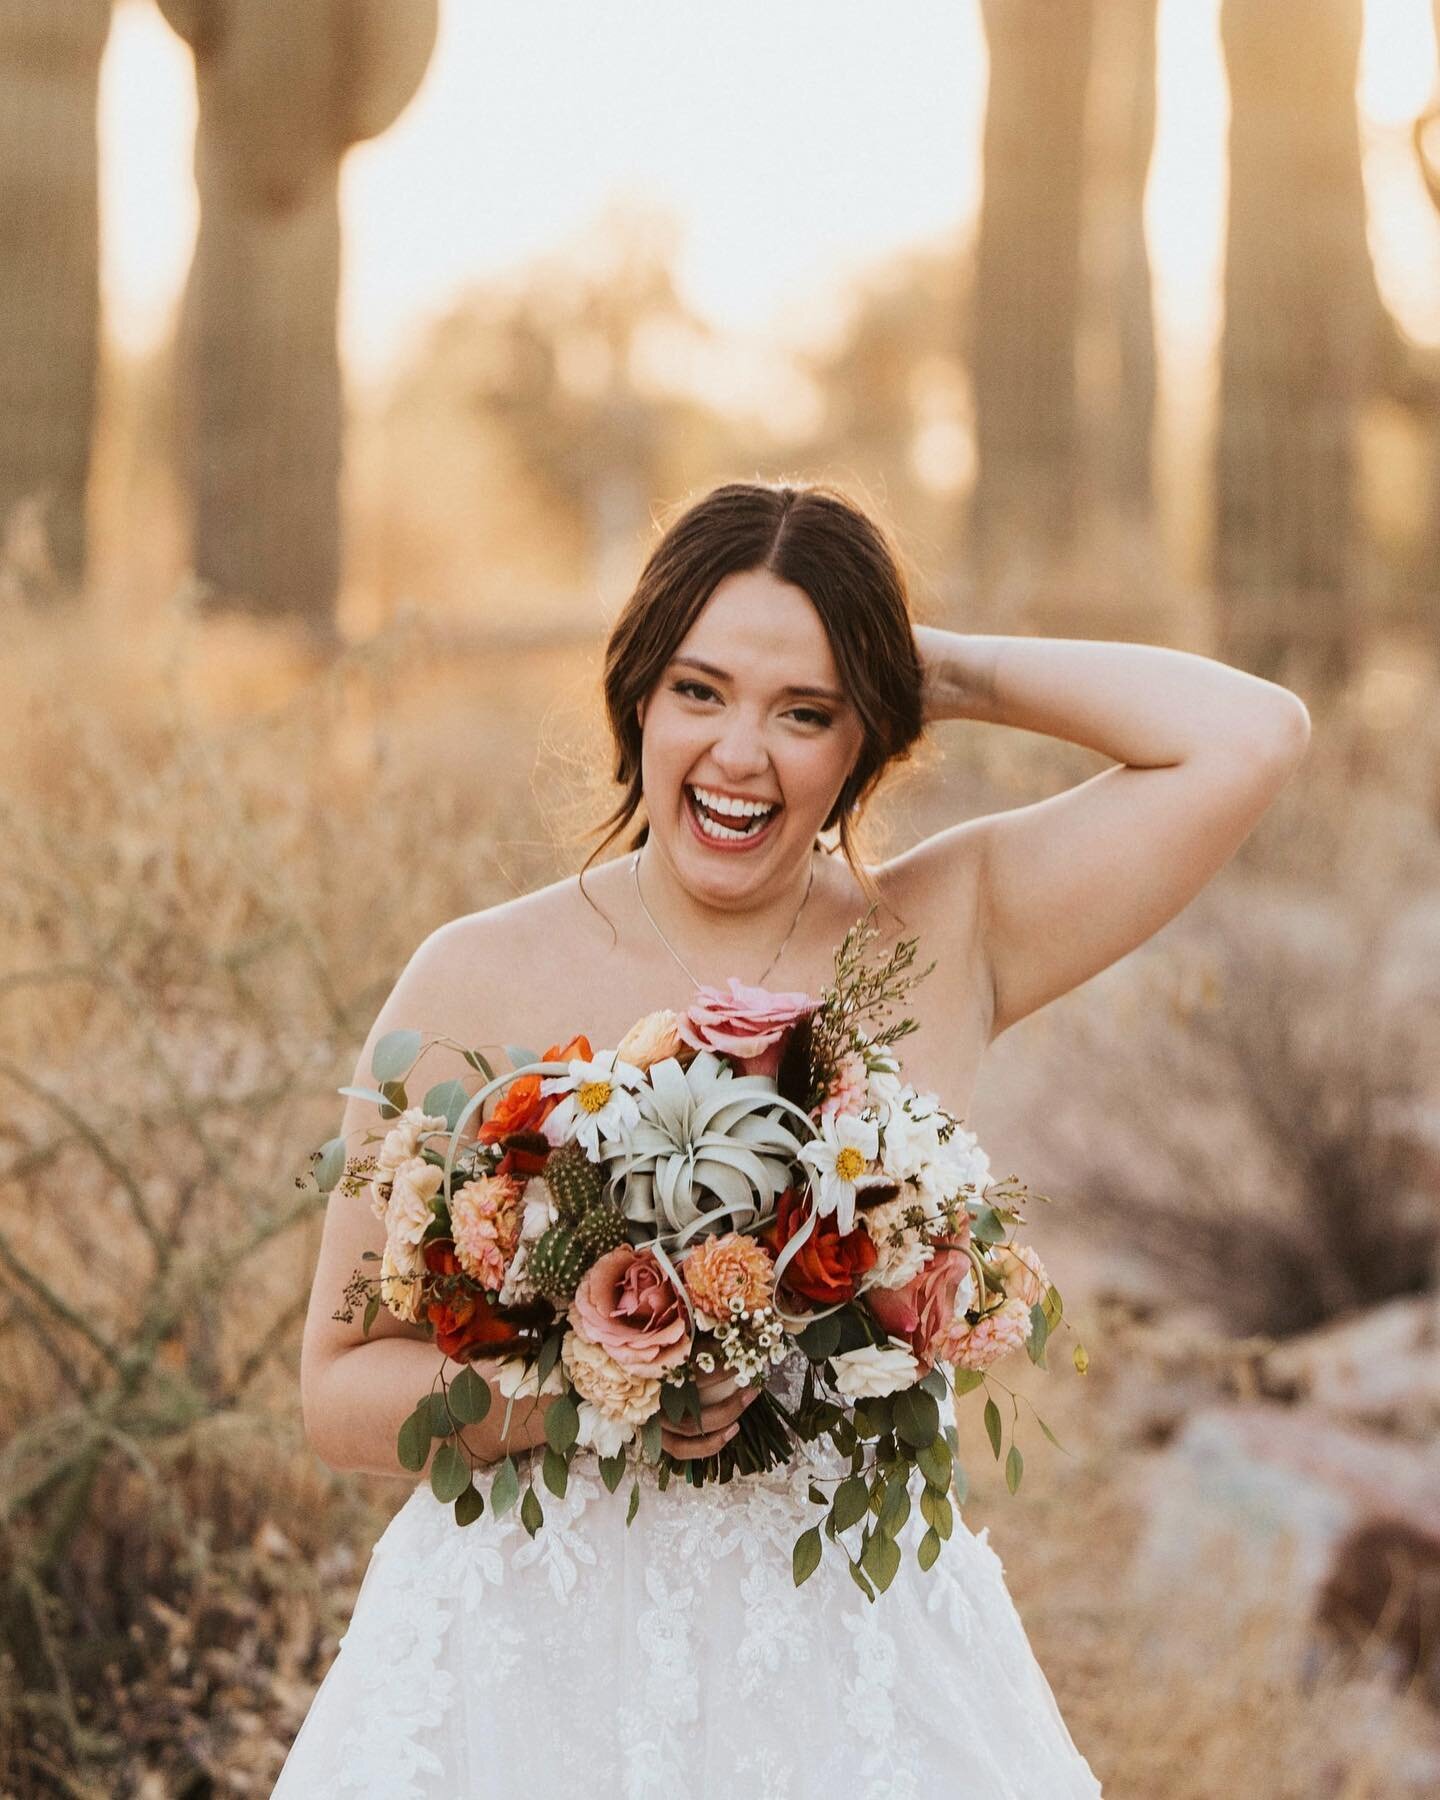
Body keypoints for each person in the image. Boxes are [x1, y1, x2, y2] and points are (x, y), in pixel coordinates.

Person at [273, 479, 1311, 1797]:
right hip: (528, 1675)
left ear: (867, 736)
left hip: (853, 1669)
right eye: (700, 691)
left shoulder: (948, 927)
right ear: (636, 698)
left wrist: (922, 664)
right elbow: (336, 1391)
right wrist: (590, 1396)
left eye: (805, 712)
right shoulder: (470, 981)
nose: (741, 755)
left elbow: (1252, 734)